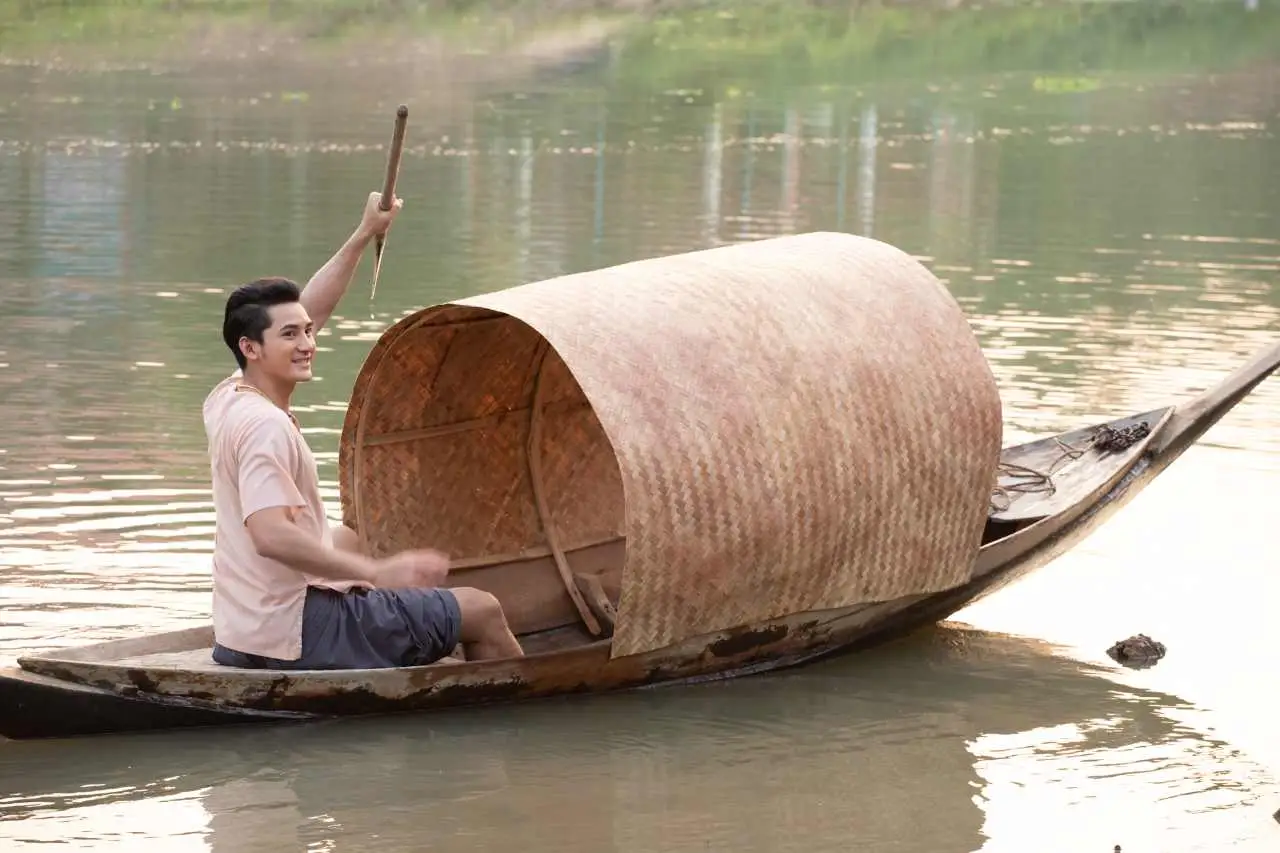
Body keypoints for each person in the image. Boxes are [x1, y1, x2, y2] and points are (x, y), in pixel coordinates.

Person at [203, 191, 524, 670]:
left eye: (306, 331)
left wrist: (364, 233)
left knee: (347, 538)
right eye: (291, 335)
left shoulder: (229, 395)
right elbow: (270, 536)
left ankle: (404, 631)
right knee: (482, 608)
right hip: (293, 633)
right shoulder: (265, 426)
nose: (308, 343)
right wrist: (377, 571)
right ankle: (522, 709)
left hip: (242, 626)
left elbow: (312, 307)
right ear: (251, 348)